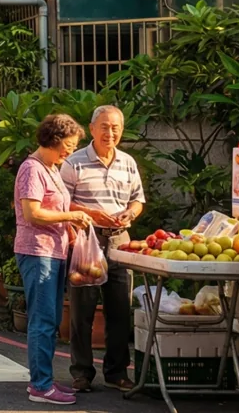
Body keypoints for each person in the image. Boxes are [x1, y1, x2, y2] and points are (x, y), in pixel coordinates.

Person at [61, 105, 145, 393]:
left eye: (116, 128)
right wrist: (91, 214)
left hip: (121, 240)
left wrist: (130, 214)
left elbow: (138, 199)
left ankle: (117, 372)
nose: (111, 133)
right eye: (105, 127)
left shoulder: (128, 162)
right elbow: (62, 203)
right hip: (86, 240)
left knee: (120, 310)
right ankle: (82, 372)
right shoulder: (74, 162)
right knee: (82, 310)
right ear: (93, 128)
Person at [15, 113, 94, 405]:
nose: (70, 152)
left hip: (54, 251)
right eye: (69, 145)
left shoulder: (50, 169)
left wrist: (71, 226)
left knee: (50, 319)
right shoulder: (32, 169)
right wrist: (70, 216)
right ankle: (40, 385)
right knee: (43, 320)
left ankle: (44, 380)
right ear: (55, 139)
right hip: (38, 251)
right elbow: (32, 213)